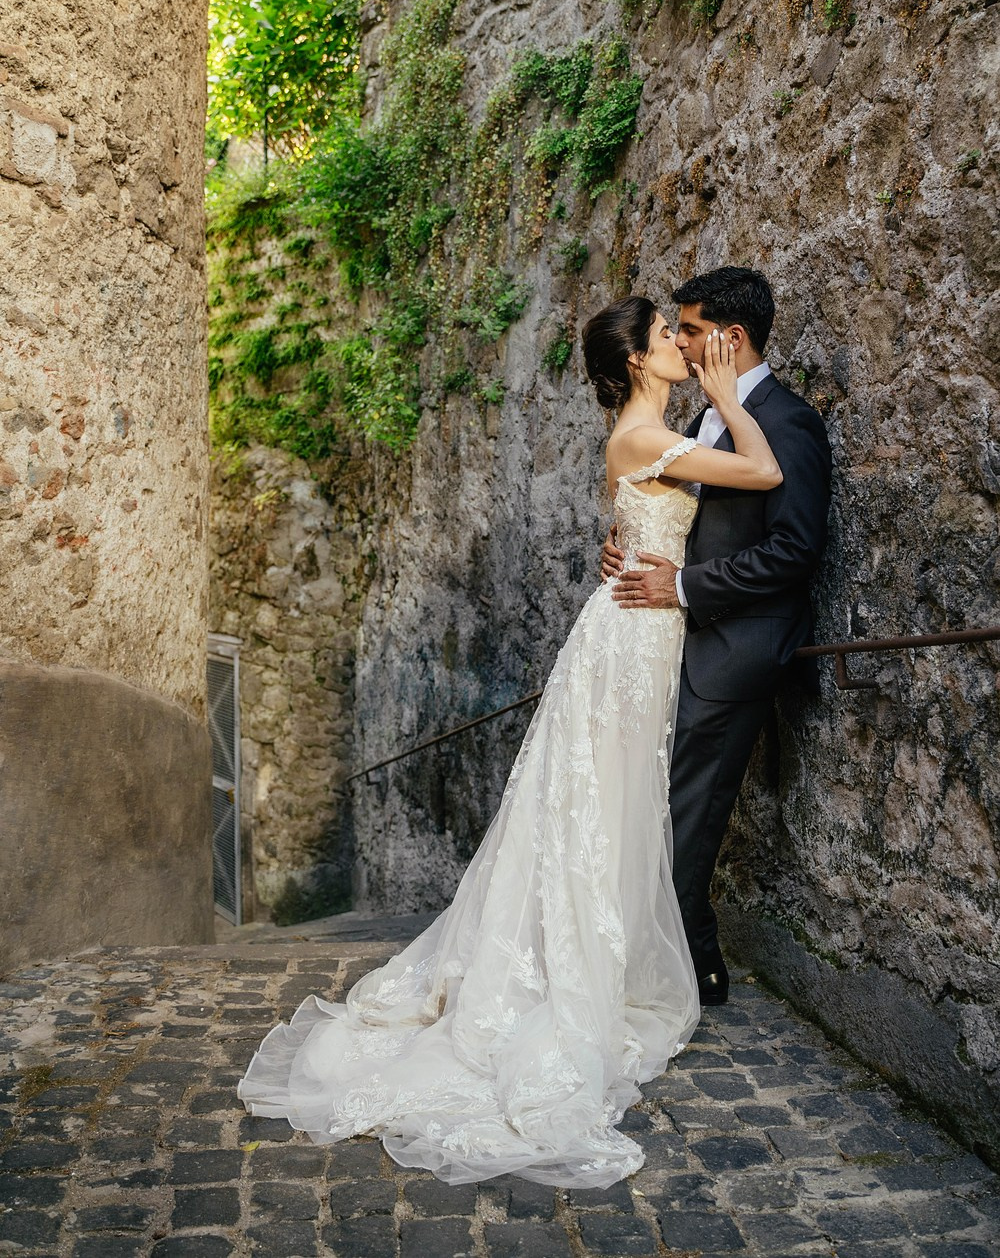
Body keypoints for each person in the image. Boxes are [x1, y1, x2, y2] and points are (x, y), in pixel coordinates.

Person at [239, 297, 783, 1189]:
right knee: (597, 809)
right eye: (666, 341)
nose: (682, 350)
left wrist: (633, 548)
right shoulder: (645, 436)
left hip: (639, 631)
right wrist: (729, 396)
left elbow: (635, 532)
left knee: (608, 807)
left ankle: (594, 956)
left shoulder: (647, 432)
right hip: (626, 646)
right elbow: (760, 469)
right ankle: (562, 978)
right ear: (641, 365)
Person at [602, 268, 832, 1008]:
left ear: (731, 338)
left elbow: (793, 551)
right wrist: (629, 551)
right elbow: (676, 515)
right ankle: (694, 968)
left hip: (735, 645)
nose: (683, 340)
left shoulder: (787, 420)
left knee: (685, 816)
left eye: (691, 329)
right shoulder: (697, 420)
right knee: (667, 812)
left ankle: (680, 978)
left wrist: (683, 587)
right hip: (682, 638)